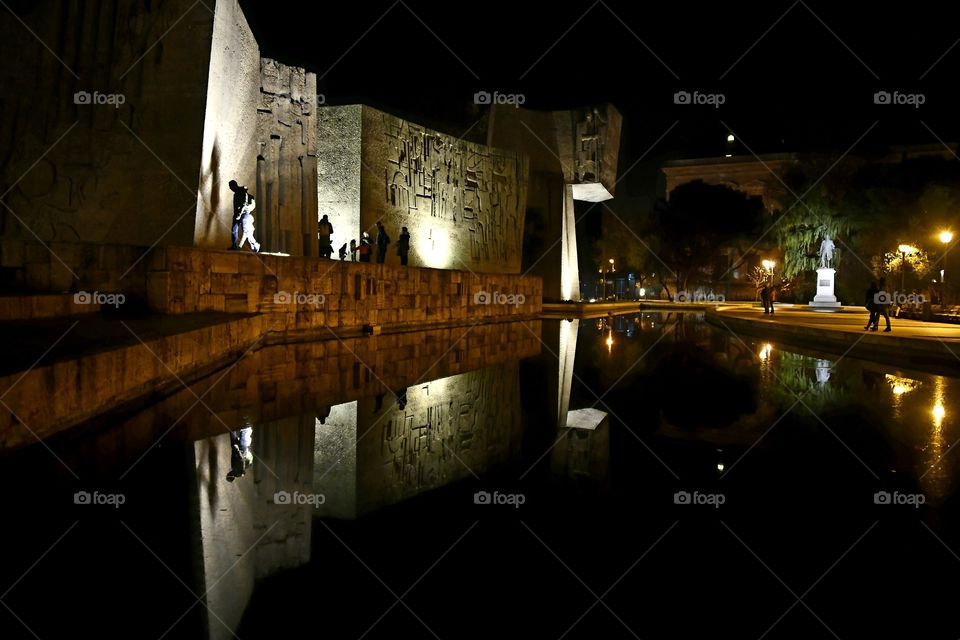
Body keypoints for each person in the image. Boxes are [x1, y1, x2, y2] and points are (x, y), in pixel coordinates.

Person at [228, 180, 250, 250]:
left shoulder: (241, 191)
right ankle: (234, 245)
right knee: (234, 230)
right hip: (238, 213)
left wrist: (239, 213)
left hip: (242, 214)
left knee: (246, 230)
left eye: (231, 187)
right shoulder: (238, 192)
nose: (230, 188)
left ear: (234, 185)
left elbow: (244, 203)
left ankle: (254, 245)